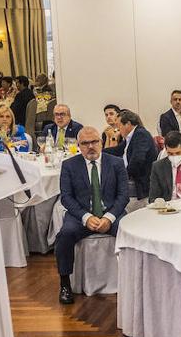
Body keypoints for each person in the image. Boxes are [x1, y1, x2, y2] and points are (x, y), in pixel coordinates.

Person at [55, 126, 129, 305]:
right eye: (85, 143)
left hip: (111, 213)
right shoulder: (69, 165)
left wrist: (108, 218)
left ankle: (130, 280)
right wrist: (86, 217)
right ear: (78, 146)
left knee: (128, 233)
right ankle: (65, 283)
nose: (91, 147)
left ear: (101, 143)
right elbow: (66, 197)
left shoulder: (116, 163)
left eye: (94, 142)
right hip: (81, 215)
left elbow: (123, 196)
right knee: (64, 235)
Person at [116, 109, 158, 203]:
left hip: (140, 182)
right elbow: (117, 150)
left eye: (119, 126)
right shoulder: (131, 137)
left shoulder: (141, 134)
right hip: (133, 177)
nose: (118, 130)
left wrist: (122, 176)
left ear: (127, 124)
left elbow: (137, 161)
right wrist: (99, 151)